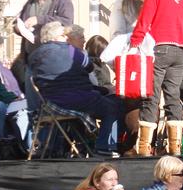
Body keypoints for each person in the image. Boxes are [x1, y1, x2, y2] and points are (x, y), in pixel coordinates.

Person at [28, 21, 122, 156]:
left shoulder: (34, 55)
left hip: (50, 103)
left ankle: (87, 146)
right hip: (77, 99)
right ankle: (104, 147)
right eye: (63, 35)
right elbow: (89, 67)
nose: (66, 38)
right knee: (113, 106)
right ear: (54, 38)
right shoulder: (71, 51)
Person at [129, 0, 183, 156]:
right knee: (173, 96)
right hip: (181, 51)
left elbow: (145, 19)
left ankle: (143, 147)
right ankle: (174, 147)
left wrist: (135, 41)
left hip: (160, 48)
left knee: (152, 96)